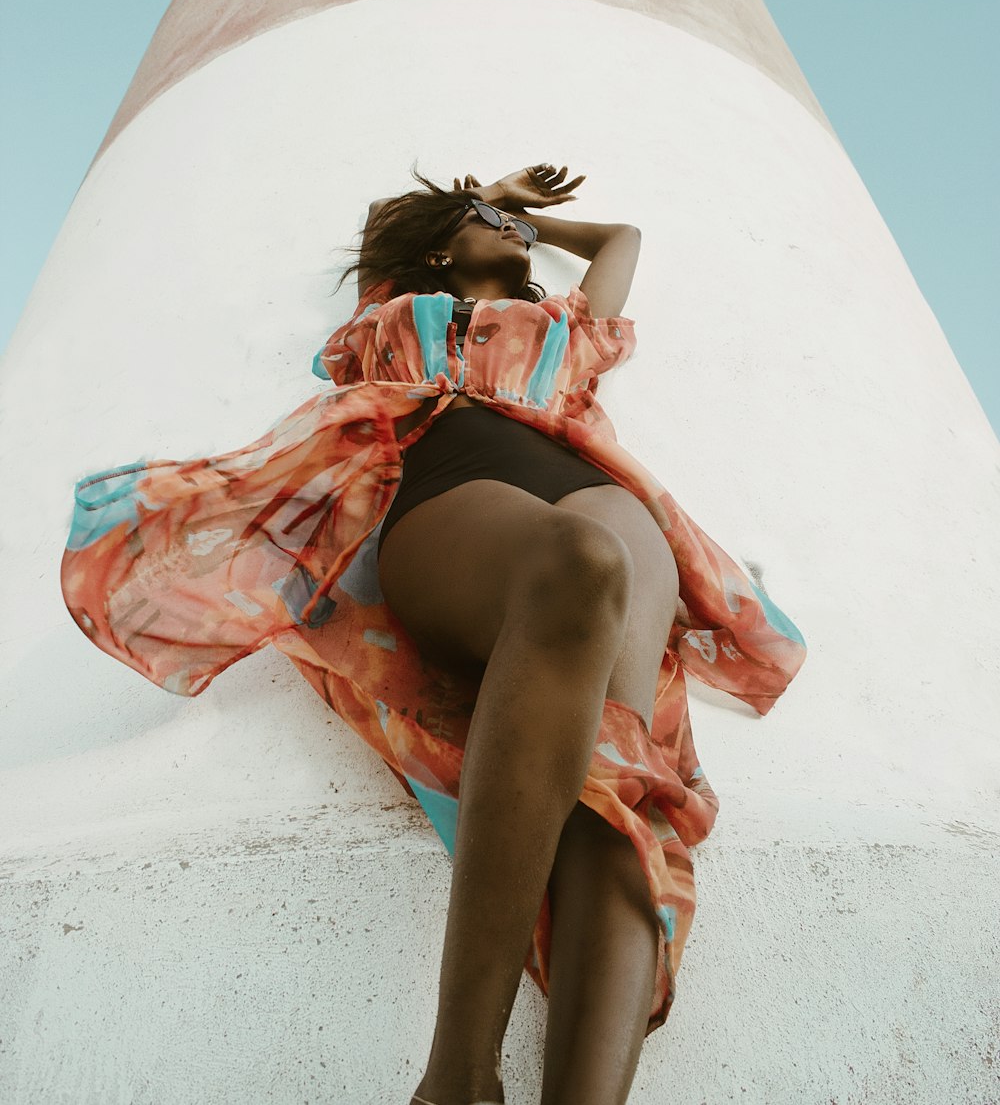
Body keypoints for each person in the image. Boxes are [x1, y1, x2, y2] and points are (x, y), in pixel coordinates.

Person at [61, 162, 806, 1105]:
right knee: (576, 566)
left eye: (511, 222)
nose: (511, 228)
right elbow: (386, 224)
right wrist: (486, 194)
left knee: (618, 802)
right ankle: (459, 1072)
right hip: (455, 487)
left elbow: (624, 246)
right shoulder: (395, 310)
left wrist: (526, 223)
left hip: (597, 488)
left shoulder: (566, 330)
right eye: (485, 222)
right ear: (437, 246)